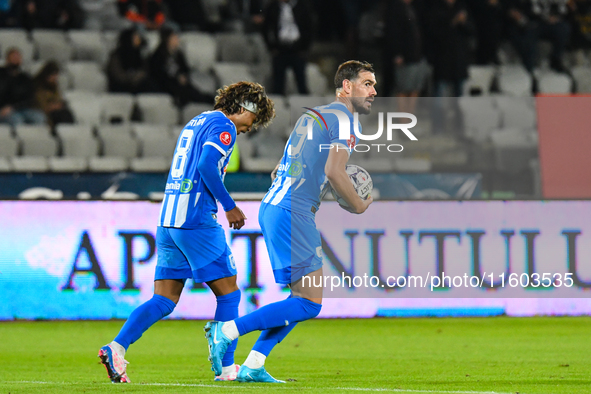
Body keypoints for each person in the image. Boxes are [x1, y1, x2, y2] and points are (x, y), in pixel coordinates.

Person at [204, 60, 375, 383]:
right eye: (367, 83)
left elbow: (281, 168)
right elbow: (334, 172)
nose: (374, 91)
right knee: (310, 303)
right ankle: (227, 330)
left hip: (276, 204)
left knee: (301, 298)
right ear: (346, 87)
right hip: (293, 211)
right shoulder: (346, 120)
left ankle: (254, 364)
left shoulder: (313, 116)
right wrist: (358, 203)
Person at [98, 81, 275, 383]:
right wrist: (229, 206)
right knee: (230, 294)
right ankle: (227, 369)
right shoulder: (225, 126)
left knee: (165, 299)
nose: (251, 127)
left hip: (168, 220)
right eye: (253, 119)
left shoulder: (197, 121)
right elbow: (207, 165)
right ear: (245, 107)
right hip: (196, 219)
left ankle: (116, 347)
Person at [149, 27, 214, 107]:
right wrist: (176, 78)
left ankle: (209, 100)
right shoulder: (158, 55)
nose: (177, 40)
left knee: (193, 91)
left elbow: (185, 69)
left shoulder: (179, 55)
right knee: (186, 92)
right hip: (166, 84)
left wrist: (183, 77)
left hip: (180, 83)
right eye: (174, 38)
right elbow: (159, 74)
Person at [262, 0, 315, 95]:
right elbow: (265, 28)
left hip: (297, 49)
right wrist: (271, 47)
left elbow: (310, 27)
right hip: (280, 49)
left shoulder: (302, 6)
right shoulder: (273, 7)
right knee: (278, 83)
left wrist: (305, 48)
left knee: (301, 82)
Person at [505, 0, 571, 73]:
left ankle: (555, 60)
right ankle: (529, 67)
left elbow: (562, 10)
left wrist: (555, 18)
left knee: (564, 28)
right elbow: (521, 14)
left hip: (550, 23)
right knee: (530, 31)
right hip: (531, 23)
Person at [0, 48, 47, 126]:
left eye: (18, 58)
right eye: (13, 58)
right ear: (7, 59)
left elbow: (29, 97)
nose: (16, 60)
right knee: (16, 119)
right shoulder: (1, 75)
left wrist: (14, 107)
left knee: (40, 117)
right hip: (3, 109)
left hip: (20, 108)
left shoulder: (25, 78)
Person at [106, 27, 154, 94]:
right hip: (121, 86)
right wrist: (130, 78)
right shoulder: (117, 55)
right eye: (135, 37)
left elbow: (144, 70)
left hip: (138, 84)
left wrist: (138, 77)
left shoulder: (140, 54)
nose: (138, 39)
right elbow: (117, 74)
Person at [33, 60, 74, 128]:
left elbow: (59, 99)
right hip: (43, 113)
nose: (55, 78)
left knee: (66, 113)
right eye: (53, 75)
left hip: (55, 111)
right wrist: (52, 107)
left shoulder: (54, 86)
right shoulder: (37, 88)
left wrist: (58, 105)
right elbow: (40, 105)